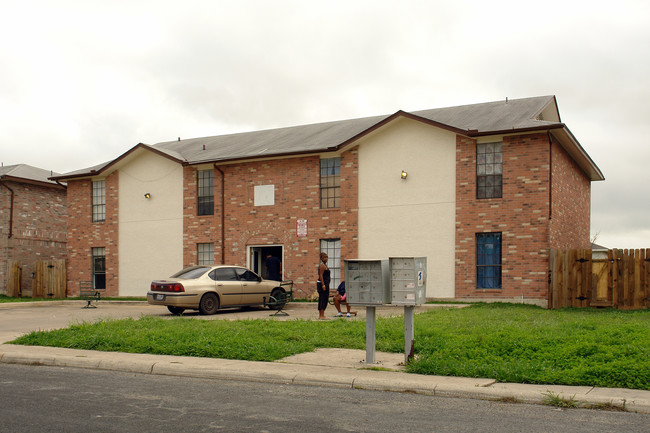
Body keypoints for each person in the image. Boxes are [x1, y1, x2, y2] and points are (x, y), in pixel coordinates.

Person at [317, 252, 330, 320]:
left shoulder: (325, 265)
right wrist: (323, 285)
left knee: (325, 299)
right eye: (324, 257)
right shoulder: (322, 266)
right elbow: (321, 275)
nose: (326, 258)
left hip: (326, 284)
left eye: (327, 257)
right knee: (323, 299)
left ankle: (322, 314)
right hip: (322, 285)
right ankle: (321, 315)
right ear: (321, 258)